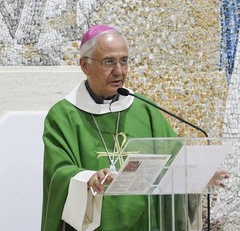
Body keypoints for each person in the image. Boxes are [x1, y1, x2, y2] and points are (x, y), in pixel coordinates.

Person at [41, 25, 229, 231]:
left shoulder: (144, 109)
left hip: (146, 224)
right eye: (109, 62)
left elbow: (174, 159)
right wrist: (88, 178)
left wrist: (197, 175)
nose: (119, 71)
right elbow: (58, 172)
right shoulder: (64, 115)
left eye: (124, 61)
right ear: (85, 65)